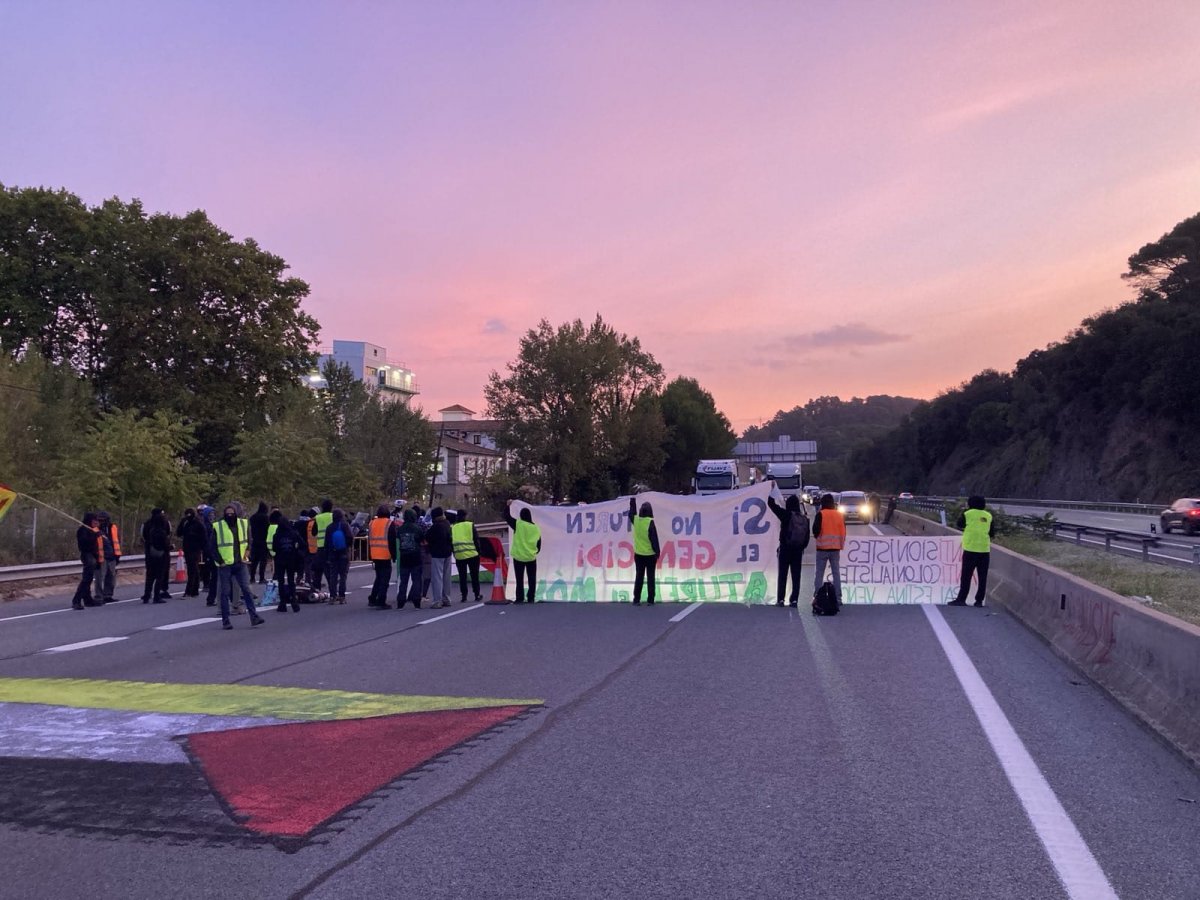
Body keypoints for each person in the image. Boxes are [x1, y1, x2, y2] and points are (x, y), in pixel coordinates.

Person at [211, 503, 265, 629]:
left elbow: (248, 541)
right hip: (225, 564)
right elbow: (212, 546)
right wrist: (220, 561)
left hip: (240, 563)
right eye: (227, 513)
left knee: (246, 589)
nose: (230, 515)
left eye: (232, 513)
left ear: (236, 513)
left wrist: (247, 553)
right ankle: (226, 620)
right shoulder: (218, 526)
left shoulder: (243, 524)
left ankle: (254, 617)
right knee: (225, 592)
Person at [949, 495, 994, 607]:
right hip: (984, 550)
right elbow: (992, 533)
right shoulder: (988, 516)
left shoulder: (967, 514)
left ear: (970, 503)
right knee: (982, 577)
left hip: (970, 549)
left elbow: (959, 524)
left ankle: (961, 599)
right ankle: (979, 601)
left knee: (966, 576)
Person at [767, 494, 809, 607]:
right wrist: (801, 547)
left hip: (785, 548)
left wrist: (771, 492)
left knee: (783, 574)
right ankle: (794, 600)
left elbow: (771, 505)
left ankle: (781, 599)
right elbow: (806, 538)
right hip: (798, 551)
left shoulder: (786, 515)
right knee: (796, 576)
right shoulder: (805, 519)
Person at [505, 500, 541, 604]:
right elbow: (539, 545)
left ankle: (519, 598)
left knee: (519, 579)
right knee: (532, 578)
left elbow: (507, 517)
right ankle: (531, 598)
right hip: (531, 557)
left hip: (519, 557)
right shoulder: (535, 528)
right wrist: (534, 552)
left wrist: (507, 506)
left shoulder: (518, 524)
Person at [812, 493, 846, 603]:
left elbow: (815, 531)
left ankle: (817, 596)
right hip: (835, 548)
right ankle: (838, 598)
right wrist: (840, 544)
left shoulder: (820, 514)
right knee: (836, 573)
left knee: (819, 574)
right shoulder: (839, 515)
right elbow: (843, 531)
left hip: (822, 548)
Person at [629, 495, 660, 605]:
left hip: (638, 554)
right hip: (650, 555)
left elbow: (631, 514)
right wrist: (657, 552)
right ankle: (650, 600)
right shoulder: (650, 522)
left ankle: (636, 599)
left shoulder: (636, 520)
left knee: (639, 577)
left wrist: (632, 501)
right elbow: (654, 539)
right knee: (650, 577)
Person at [271, 512, 304, 613]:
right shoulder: (293, 533)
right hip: (291, 558)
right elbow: (302, 543)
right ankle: (294, 602)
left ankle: (282, 603)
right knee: (291, 581)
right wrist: (296, 550)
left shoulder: (277, 535)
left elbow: (274, 548)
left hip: (280, 559)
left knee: (281, 582)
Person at [391, 508, 423, 609]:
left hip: (404, 556)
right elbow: (421, 540)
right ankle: (416, 600)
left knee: (403, 580)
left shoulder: (400, 529)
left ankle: (401, 600)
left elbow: (399, 538)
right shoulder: (417, 528)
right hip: (416, 556)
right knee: (416, 579)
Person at [141, 508, 173, 603]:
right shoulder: (162, 532)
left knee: (150, 576)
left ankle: (147, 595)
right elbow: (165, 544)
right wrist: (171, 547)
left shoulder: (148, 526)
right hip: (161, 555)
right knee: (159, 576)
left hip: (150, 553)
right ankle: (157, 596)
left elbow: (143, 536)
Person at [72, 513, 103, 610]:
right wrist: (95, 535)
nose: (97, 522)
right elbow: (85, 544)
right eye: (95, 520)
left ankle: (88, 599)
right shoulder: (83, 530)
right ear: (89, 520)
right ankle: (76, 600)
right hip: (87, 555)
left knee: (89, 579)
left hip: (93, 556)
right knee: (86, 579)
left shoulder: (91, 530)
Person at [451, 509, 483, 603]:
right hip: (472, 554)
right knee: (474, 575)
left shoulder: (453, 527)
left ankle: (464, 596)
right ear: (465, 516)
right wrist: (479, 551)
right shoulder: (470, 525)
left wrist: (455, 552)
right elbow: (476, 539)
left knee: (462, 576)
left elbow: (451, 541)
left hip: (459, 555)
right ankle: (477, 594)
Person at [176, 507, 208, 598]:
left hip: (196, 548)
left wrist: (202, 547)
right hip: (187, 547)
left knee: (192, 569)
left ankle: (189, 590)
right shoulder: (184, 522)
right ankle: (195, 590)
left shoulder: (198, 523)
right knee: (193, 568)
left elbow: (204, 536)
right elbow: (178, 533)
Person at [425, 506, 454, 609]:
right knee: (446, 577)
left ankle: (437, 601)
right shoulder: (447, 524)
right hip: (448, 552)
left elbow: (427, 537)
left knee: (437, 578)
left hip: (437, 554)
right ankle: (446, 598)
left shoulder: (436, 527)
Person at [366, 505, 393, 609]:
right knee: (385, 579)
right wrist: (394, 555)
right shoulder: (389, 523)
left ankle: (373, 598)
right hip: (385, 554)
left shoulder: (372, 523)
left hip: (375, 554)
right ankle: (381, 601)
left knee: (379, 577)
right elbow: (391, 541)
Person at [324, 508, 353, 604]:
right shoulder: (345, 525)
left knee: (333, 576)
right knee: (343, 576)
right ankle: (342, 597)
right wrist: (347, 547)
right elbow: (350, 537)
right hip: (343, 553)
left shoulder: (329, 527)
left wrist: (327, 555)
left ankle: (332, 596)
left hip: (332, 554)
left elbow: (326, 543)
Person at [95, 510, 121, 604]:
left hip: (112, 556)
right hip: (102, 557)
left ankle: (108, 595)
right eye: (99, 520)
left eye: (103, 520)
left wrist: (117, 555)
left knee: (111, 577)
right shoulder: (95, 530)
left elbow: (117, 541)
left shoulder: (113, 527)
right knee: (99, 578)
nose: (101, 522)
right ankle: (98, 596)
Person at [310, 499, 334, 593]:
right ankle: (333, 591)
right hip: (331, 546)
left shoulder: (318, 517)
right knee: (330, 570)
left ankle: (317, 589)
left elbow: (313, 532)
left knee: (318, 569)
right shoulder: (333, 516)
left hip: (320, 547)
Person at [247, 501, 270, 584]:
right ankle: (261, 578)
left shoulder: (253, 517)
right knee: (263, 560)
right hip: (264, 541)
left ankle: (252, 577)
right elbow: (268, 528)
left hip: (255, 540)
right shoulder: (266, 517)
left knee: (254, 561)